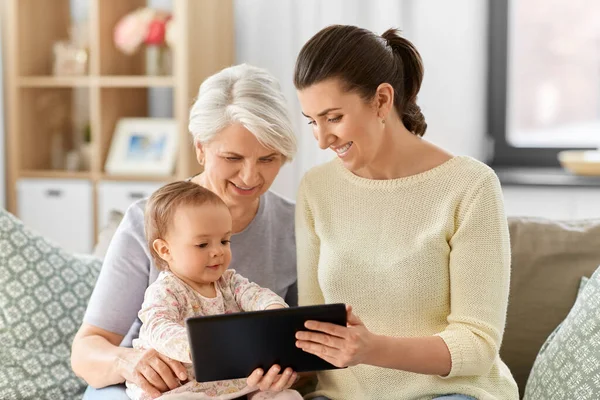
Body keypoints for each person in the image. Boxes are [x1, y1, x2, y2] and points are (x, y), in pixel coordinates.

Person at [292, 25, 520, 400]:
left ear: (381, 100)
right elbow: (315, 327)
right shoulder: (316, 189)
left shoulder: (470, 186)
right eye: (312, 121)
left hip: (451, 395)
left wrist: (371, 348)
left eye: (333, 117)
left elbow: (477, 344)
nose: (321, 139)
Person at [72, 64, 299, 400]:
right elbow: (87, 350)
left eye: (268, 158)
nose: (251, 177)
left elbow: (300, 339)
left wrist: (288, 369)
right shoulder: (147, 220)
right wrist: (129, 362)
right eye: (233, 157)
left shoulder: (292, 225)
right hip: (160, 387)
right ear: (201, 148)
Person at [124, 181, 302, 400]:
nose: (218, 251)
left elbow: (256, 296)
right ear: (165, 250)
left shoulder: (229, 281)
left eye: (224, 240)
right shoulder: (165, 290)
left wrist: (274, 311)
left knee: (286, 396)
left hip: (232, 384)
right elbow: (158, 327)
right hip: (180, 388)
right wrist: (197, 346)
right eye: (202, 245)